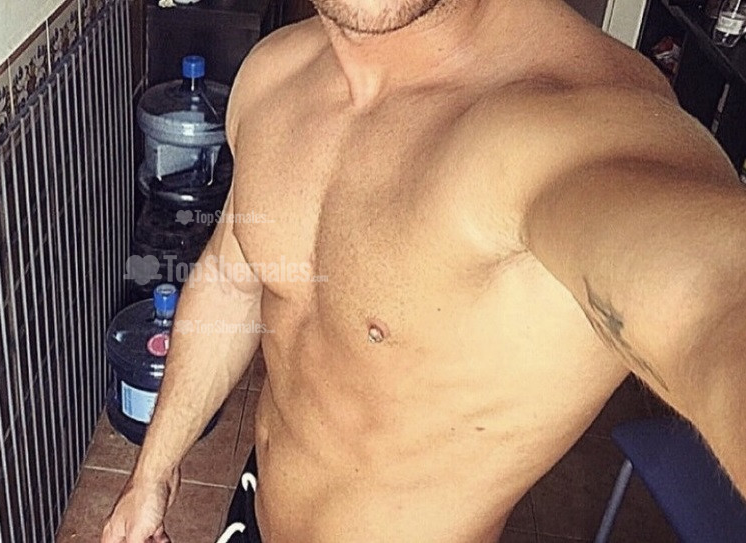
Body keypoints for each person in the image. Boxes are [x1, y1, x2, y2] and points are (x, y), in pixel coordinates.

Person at [102, 0, 746, 541]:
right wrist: (152, 473)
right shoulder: (275, 73)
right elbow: (230, 277)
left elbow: (712, 304)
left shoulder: (578, 119)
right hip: (255, 512)